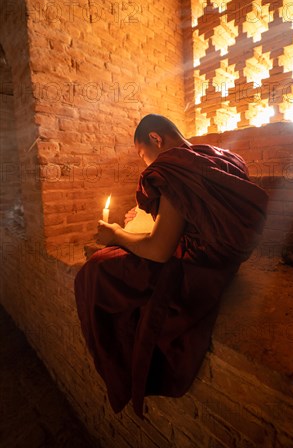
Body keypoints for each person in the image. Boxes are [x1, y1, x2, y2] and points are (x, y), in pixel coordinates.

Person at [74, 114, 268, 419]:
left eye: (142, 154)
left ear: (155, 139)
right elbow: (197, 220)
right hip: (228, 262)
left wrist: (115, 235)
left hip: (197, 270)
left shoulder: (174, 170)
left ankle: (119, 370)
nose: (145, 165)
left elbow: (159, 250)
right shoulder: (223, 158)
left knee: (97, 267)